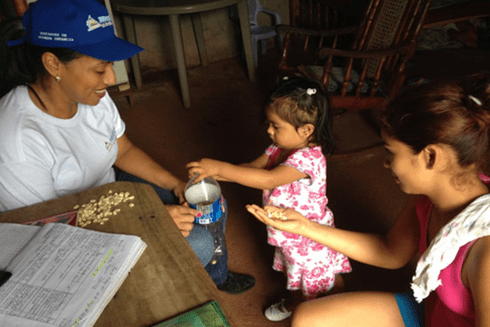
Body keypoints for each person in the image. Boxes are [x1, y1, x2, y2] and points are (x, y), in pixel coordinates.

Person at [0, 0, 254, 294]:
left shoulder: (91, 97)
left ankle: (214, 277)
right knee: (198, 242)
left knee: (210, 202)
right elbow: (48, 232)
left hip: (106, 192)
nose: (110, 78)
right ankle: (177, 286)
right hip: (60, 232)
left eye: (110, 65)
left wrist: (176, 186)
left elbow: (123, 150)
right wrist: (149, 221)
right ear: (53, 64)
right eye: (99, 69)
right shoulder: (16, 139)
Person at [246, 72, 490, 326]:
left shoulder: (485, 251)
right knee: (307, 318)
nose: (386, 164)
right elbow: (390, 252)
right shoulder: (430, 196)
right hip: (431, 313)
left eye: (391, 152)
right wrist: (305, 227)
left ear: (431, 157)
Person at [186, 76, 351, 321]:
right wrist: (216, 176)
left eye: (276, 126)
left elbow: (268, 180)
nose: (268, 130)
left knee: (316, 283)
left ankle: (328, 313)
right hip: (289, 233)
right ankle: (300, 302)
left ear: (306, 130)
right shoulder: (278, 148)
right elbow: (252, 169)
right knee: (298, 277)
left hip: (309, 238)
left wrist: (219, 167)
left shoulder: (308, 160)